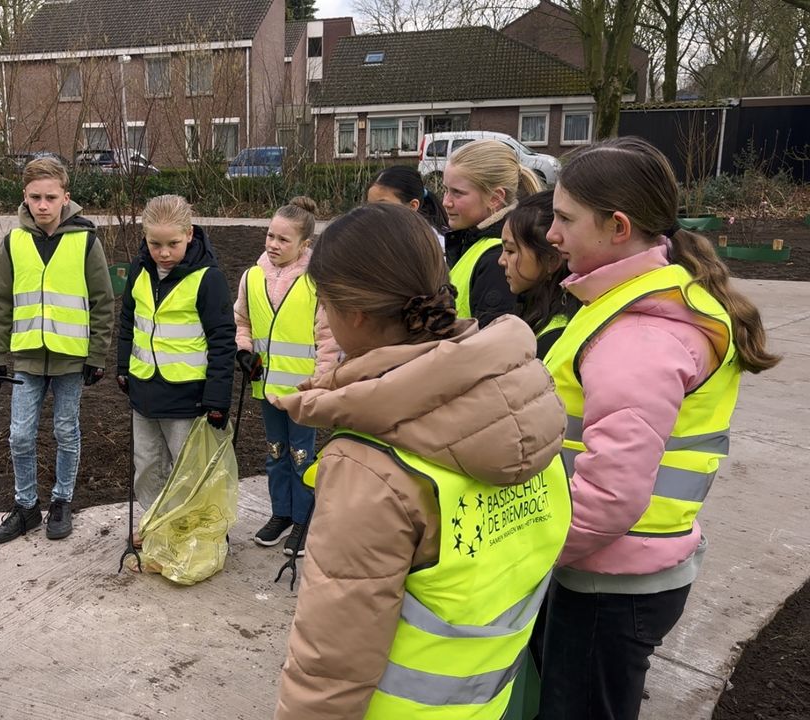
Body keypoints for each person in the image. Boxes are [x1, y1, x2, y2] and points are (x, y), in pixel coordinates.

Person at [272, 203, 571, 720]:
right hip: (487, 698)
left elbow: (333, 656)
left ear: (355, 314)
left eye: (323, 302)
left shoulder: (370, 463)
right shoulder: (527, 401)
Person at [538, 136, 780, 720]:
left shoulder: (639, 334)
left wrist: (531, 551)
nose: (551, 233)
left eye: (565, 218)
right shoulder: (640, 302)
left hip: (605, 579)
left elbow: (612, 495)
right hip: (622, 569)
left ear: (617, 226)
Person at [0, 156, 115, 544]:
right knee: (20, 436)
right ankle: (26, 506)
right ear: (24, 197)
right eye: (35, 197)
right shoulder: (13, 243)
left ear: (66, 198)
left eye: (51, 197)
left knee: (65, 430)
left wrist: (96, 356)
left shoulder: (85, 240)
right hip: (26, 357)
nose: (43, 205)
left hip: (70, 359)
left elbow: (103, 302)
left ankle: (62, 500)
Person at [116, 194, 236, 510]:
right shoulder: (139, 270)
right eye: (155, 244)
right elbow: (129, 319)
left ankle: (189, 529)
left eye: (173, 243)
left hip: (187, 396)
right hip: (144, 390)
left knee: (189, 470)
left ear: (190, 235)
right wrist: (122, 366)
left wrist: (218, 397)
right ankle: (154, 523)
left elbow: (223, 339)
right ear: (145, 238)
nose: (164, 253)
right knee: (147, 465)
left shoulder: (208, 279)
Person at [233, 196, 338, 556]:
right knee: (274, 453)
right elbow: (242, 321)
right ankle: (281, 514)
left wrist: (322, 382)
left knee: (301, 457)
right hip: (266, 389)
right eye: (270, 236)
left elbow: (327, 338)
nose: (273, 245)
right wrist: (244, 351)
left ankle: (304, 519)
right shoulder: (252, 277)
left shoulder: (315, 284)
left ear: (304, 245)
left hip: (302, 391)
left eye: (283, 240)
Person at [442, 139, 542, 325]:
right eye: (445, 190)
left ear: (495, 198)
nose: (445, 202)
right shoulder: (475, 243)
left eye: (457, 193)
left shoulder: (497, 258)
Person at [499, 189, 579, 358]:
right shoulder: (535, 313)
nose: (501, 260)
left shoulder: (554, 338)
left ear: (551, 261)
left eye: (510, 251)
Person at [366, 165, 449, 245]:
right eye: (370, 206)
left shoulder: (434, 246)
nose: (373, 213)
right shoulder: (375, 238)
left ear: (412, 206)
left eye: (383, 206)